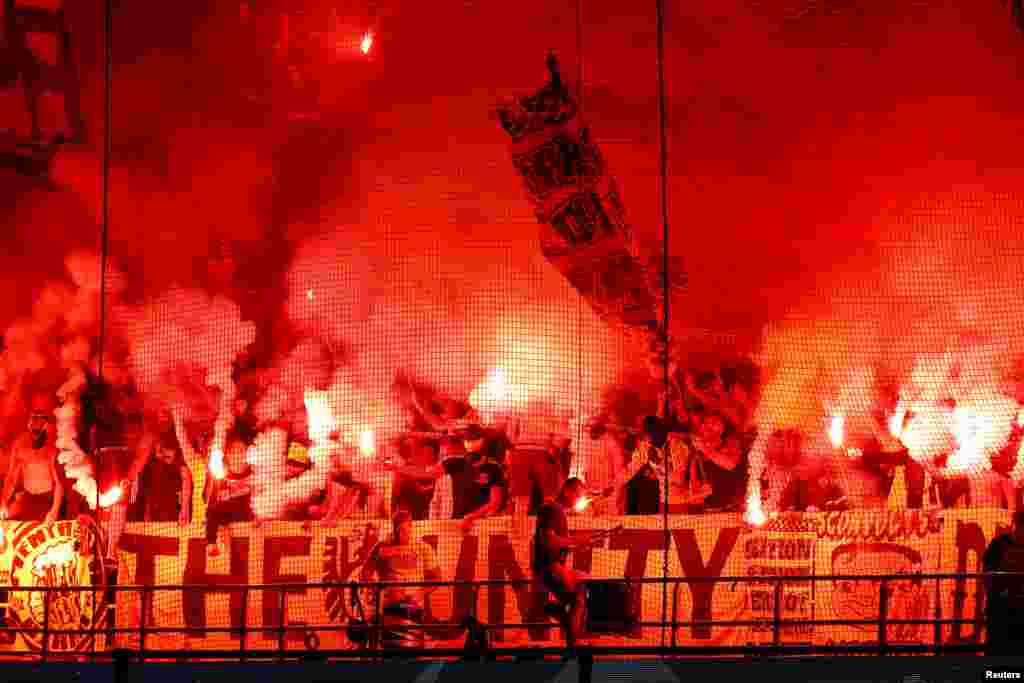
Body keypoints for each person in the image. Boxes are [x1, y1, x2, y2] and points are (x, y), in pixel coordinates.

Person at [359, 509, 441, 644]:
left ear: (411, 527)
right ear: (393, 528)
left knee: (411, 649)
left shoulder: (422, 548)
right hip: (387, 609)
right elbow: (365, 571)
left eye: (404, 530)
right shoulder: (381, 546)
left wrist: (420, 593)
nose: (401, 534)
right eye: (398, 530)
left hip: (413, 609)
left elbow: (437, 578)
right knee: (389, 648)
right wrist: (376, 589)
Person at [533, 478, 592, 656]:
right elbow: (549, 541)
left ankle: (559, 614)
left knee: (579, 595)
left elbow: (556, 542)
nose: (579, 500)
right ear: (567, 491)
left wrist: (576, 544)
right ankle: (571, 646)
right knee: (580, 596)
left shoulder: (557, 511)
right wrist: (575, 540)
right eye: (578, 495)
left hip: (552, 566)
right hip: (550, 567)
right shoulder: (551, 509)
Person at [0, 394, 63, 522]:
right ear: (29, 420)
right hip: (28, 499)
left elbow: (59, 484)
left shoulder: (53, 447)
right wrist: (4, 503)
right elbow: (11, 478)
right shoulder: (19, 445)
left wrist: (54, 510)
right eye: (34, 418)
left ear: (46, 422)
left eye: (41, 419)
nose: (37, 422)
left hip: (48, 501)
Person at [982, 510, 1024, 655]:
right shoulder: (999, 544)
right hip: (1000, 609)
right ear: (1014, 526)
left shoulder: (998, 544)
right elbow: (987, 571)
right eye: (1020, 528)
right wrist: (994, 591)